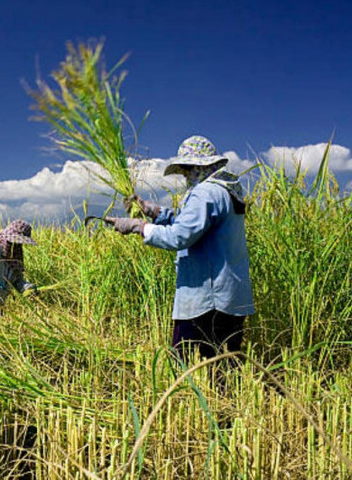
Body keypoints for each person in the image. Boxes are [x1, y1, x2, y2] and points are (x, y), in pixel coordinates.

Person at [108, 135, 254, 361]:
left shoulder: (205, 193)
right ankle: (226, 397)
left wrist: (139, 227)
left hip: (207, 298)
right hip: (230, 295)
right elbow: (192, 223)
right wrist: (150, 210)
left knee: (185, 360)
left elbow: (180, 236)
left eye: (187, 169)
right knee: (226, 366)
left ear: (198, 166)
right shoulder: (225, 190)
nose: (186, 175)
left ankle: (192, 395)